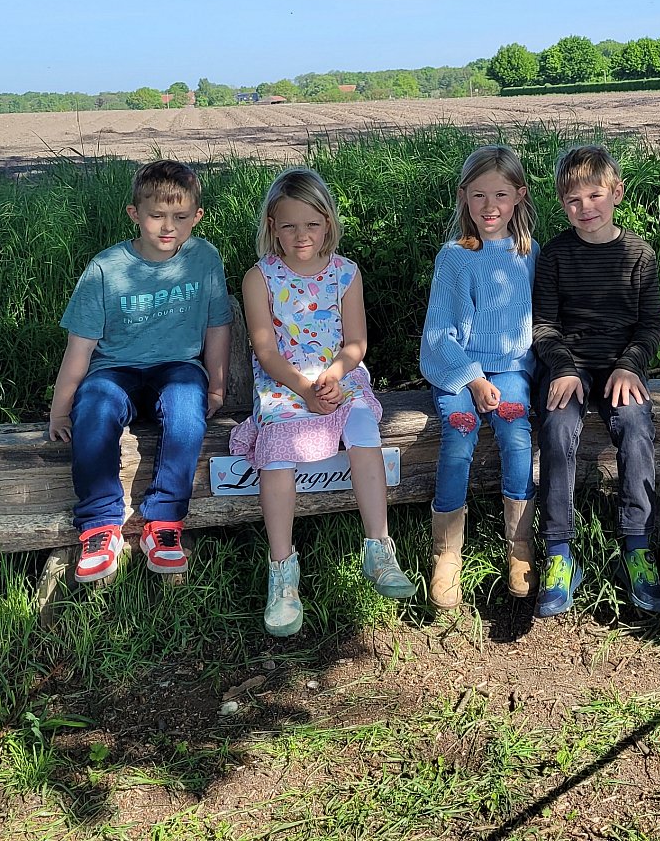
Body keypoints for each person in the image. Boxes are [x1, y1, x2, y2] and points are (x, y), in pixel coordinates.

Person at [231, 166, 415, 637]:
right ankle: (282, 571)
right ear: (272, 225)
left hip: (339, 374)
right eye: (290, 225)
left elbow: (356, 344)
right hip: (284, 381)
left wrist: (332, 376)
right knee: (277, 451)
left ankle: (379, 548)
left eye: (312, 224)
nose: (302, 235)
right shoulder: (260, 277)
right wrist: (304, 389)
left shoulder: (345, 273)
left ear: (328, 223)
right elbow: (266, 351)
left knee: (363, 430)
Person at [50, 159, 232, 585]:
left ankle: (164, 523)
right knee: (94, 408)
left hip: (178, 368)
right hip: (116, 370)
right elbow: (80, 348)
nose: (168, 227)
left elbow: (217, 326)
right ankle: (99, 526)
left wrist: (217, 387)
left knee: (187, 411)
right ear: (134, 213)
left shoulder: (204, 258)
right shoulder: (105, 269)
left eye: (180, 217)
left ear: (197, 216)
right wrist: (61, 409)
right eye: (156, 215)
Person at [532, 144, 660, 618]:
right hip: (569, 366)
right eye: (573, 200)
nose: (585, 207)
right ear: (561, 204)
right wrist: (563, 367)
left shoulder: (638, 254)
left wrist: (631, 365)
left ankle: (637, 544)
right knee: (556, 427)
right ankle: (558, 551)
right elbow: (544, 325)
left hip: (620, 367)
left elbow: (650, 325)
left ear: (617, 193)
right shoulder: (555, 255)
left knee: (635, 425)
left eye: (595, 195)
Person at [419, 145, 539, 610]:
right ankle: (447, 553)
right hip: (459, 367)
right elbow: (439, 333)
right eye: (479, 195)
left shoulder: (529, 254)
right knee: (460, 431)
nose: (490, 207)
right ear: (463, 196)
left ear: (519, 196)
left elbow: (538, 323)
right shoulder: (454, 257)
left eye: (501, 195)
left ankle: (520, 544)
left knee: (514, 430)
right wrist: (472, 379)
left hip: (510, 367)